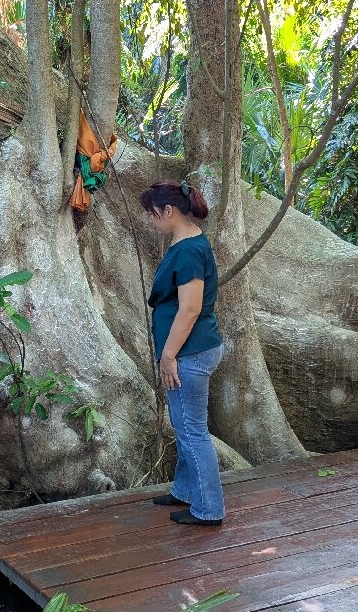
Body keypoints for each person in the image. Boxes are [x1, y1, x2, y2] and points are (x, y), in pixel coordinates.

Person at [140, 179, 225, 526]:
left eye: (152, 213)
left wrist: (168, 356)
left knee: (191, 429)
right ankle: (186, 490)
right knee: (184, 424)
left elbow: (189, 309)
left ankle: (208, 509)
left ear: (169, 211)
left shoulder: (189, 250)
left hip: (189, 352)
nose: (150, 220)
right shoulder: (184, 243)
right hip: (190, 349)